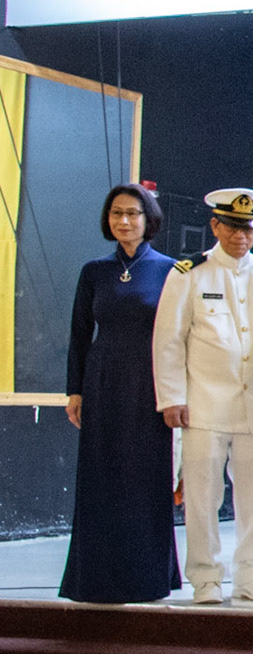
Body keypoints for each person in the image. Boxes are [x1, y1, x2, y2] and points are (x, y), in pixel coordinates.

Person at [152, 187, 253, 605]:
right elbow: (169, 340)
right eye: (233, 226)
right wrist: (172, 397)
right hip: (204, 404)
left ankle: (250, 575)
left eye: (249, 228)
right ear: (215, 226)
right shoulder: (190, 273)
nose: (241, 235)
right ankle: (205, 577)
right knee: (204, 497)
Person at [61, 183, 180, 604]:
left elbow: (180, 336)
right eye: (116, 213)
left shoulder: (172, 270)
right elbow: (79, 334)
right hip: (102, 384)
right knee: (101, 478)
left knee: (144, 479)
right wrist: (75, 391)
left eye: (132, 213)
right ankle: (95, 578)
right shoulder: (94, 271)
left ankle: (148, 577)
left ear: (148, 219)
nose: (124, 221)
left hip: (150, 387)